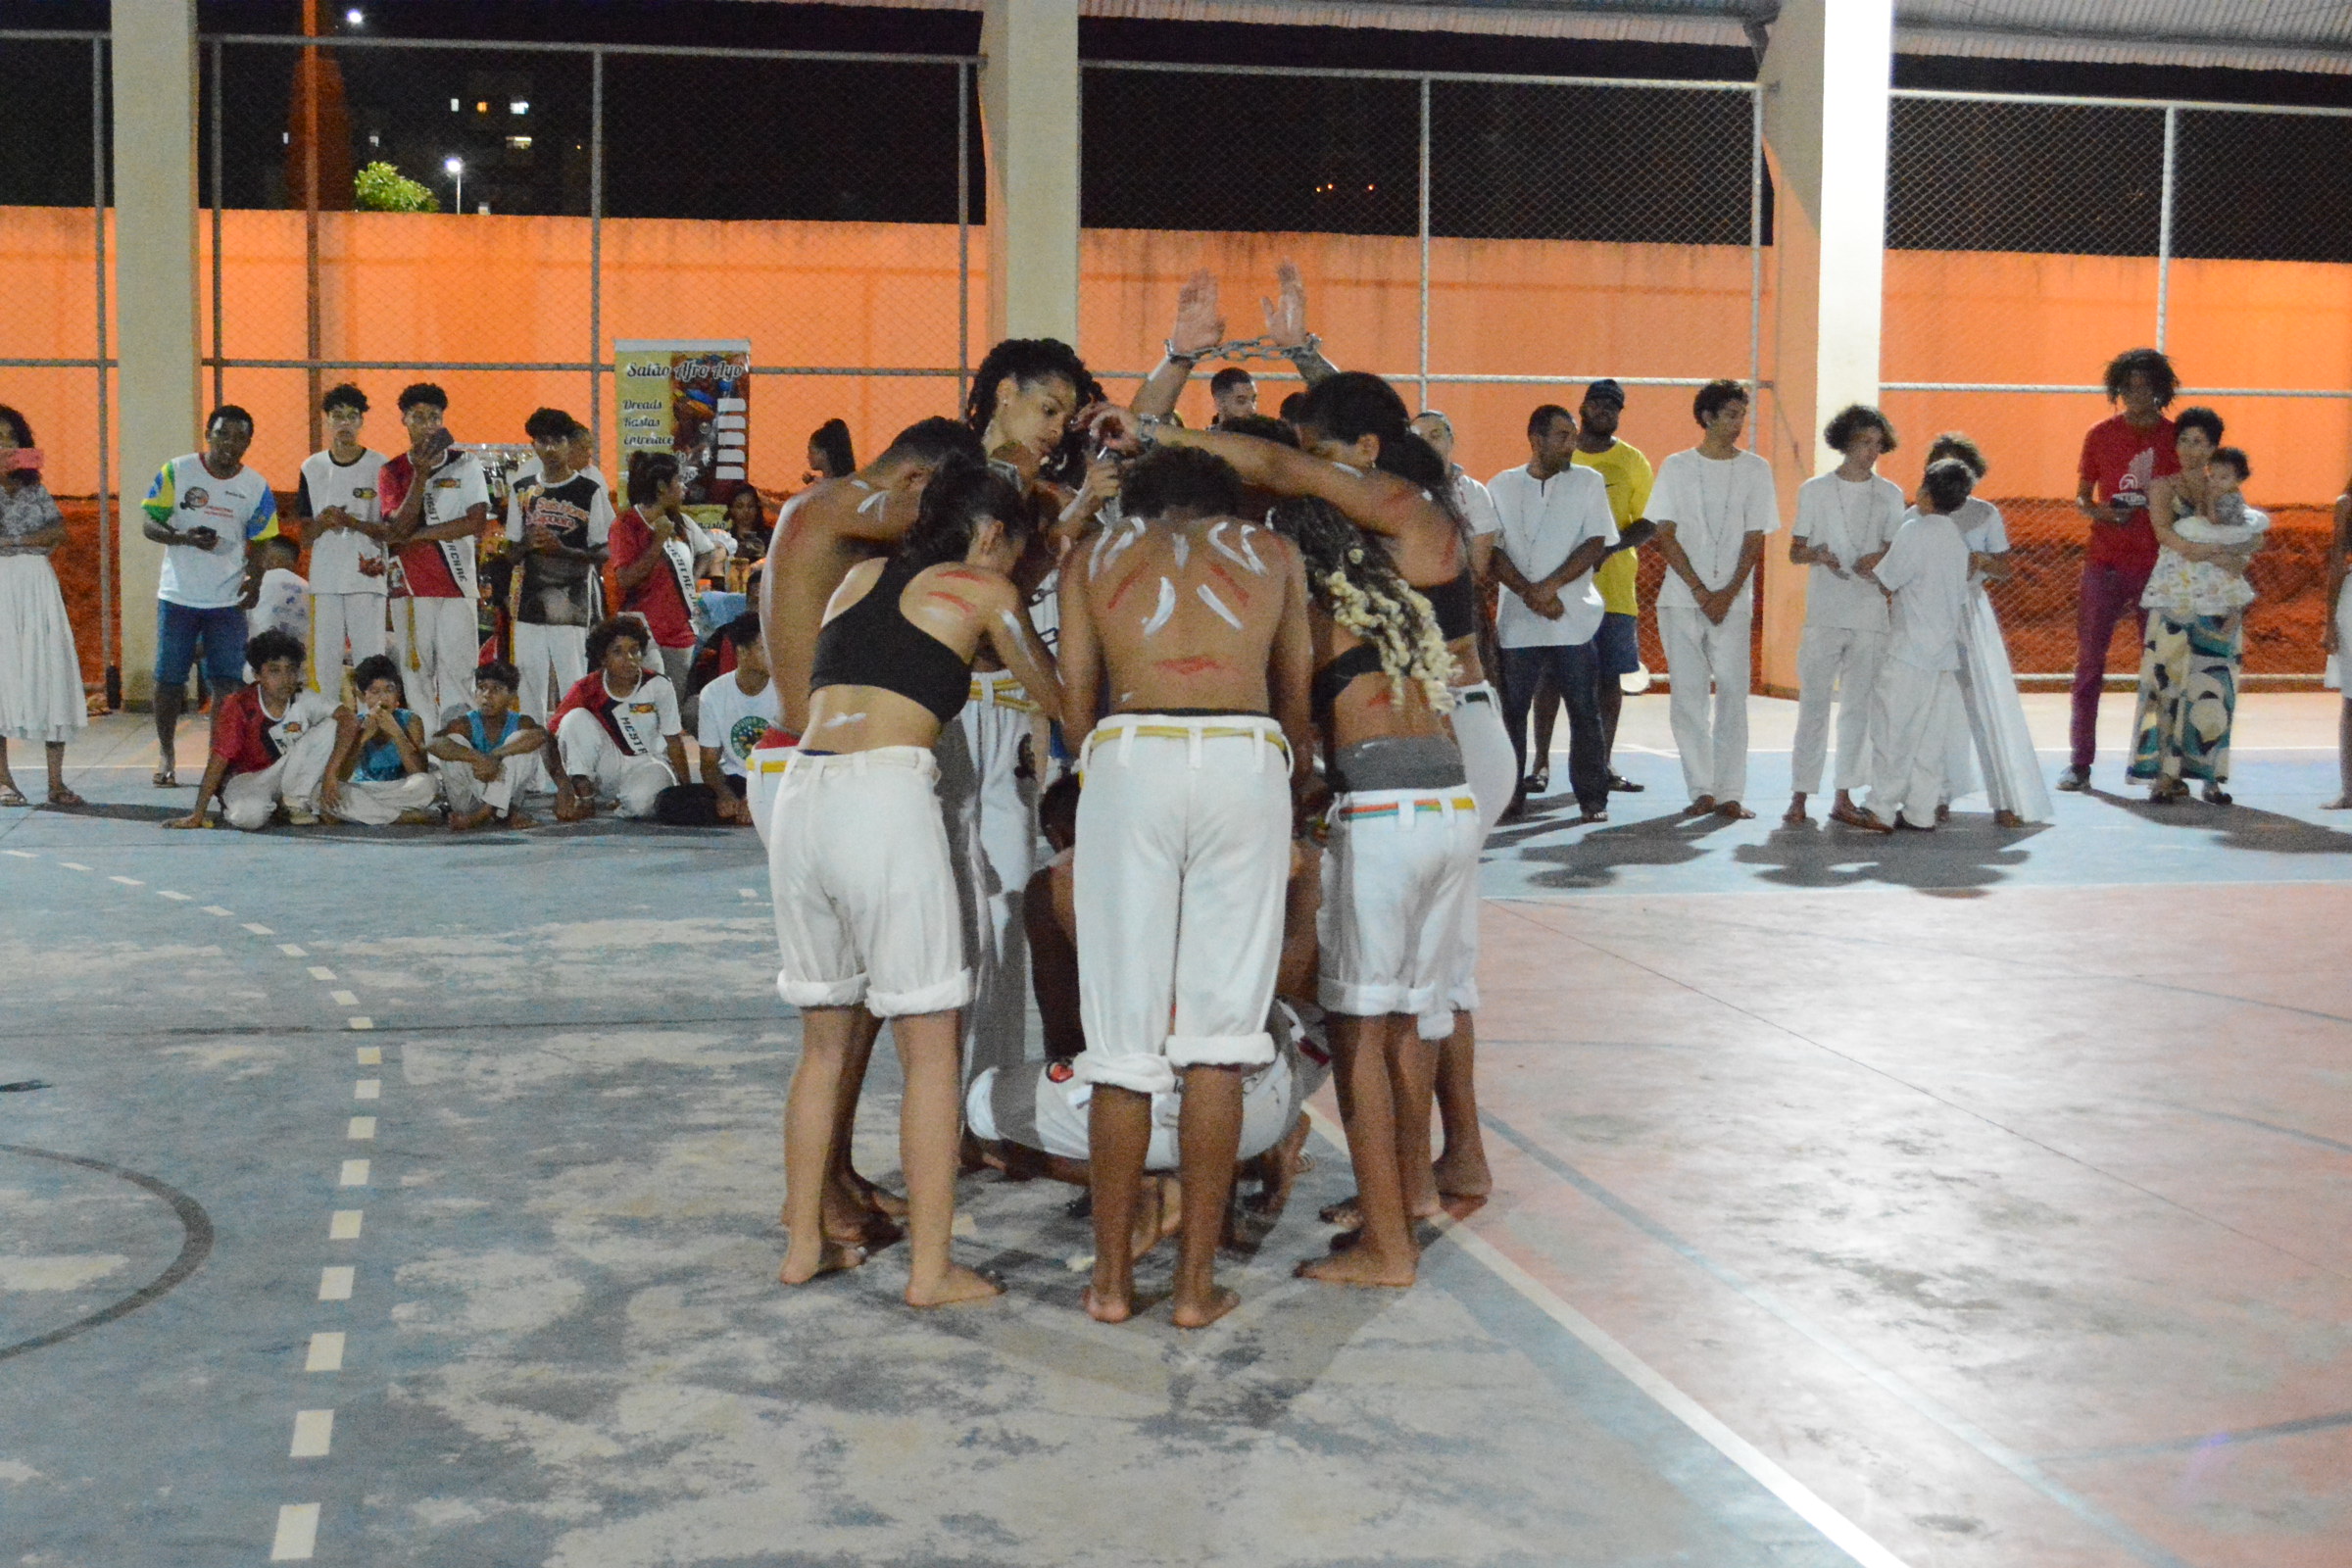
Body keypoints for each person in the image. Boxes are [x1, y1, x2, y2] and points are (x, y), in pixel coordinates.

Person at [1129, 282, 1504, 1218]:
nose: (1307, 467)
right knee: (1424, 994)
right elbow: (1316, 453)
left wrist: (1283, 372)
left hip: (1439, 753)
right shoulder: (1362, 539)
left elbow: (1325, 455)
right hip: (1439, 766)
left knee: (1404, 1002)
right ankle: (1432, 1172)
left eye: (1324, 457)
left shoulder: (1399, 520)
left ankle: (1411, 1188)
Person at [772, 455, 1061, 1309]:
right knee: (931, 1048)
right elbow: (1058, 700)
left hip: (804, 795)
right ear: (991, 534)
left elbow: (895, 659)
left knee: (823, 1049)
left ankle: (801, 1244)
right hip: (882, 799)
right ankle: (931, 1271)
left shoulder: (858, 579)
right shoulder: (983, 592)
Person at [1056, 443, 1312, 1328]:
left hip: (1132, 753)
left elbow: (1076, 697)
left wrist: (1107, 772)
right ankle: (1197, 1290)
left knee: (1123, 1039)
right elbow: (1295, 689)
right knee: (1219, 1040)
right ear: (1226, 501)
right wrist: (1295, 786)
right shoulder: (1274, 554)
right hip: (1246, 754)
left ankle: (1113, 1283)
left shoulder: (1093, 555)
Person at [1273, 494, 1479, 1287]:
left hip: (1385, 818)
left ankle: (1386, 1249)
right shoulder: (1399, 609)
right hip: (1450, 810)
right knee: (1413, 1024)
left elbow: (1294, 742)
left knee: (1361, 1033)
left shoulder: (1309, 620)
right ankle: (1409, 1191)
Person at [1646, 379, 1778, 819]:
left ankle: (1730, 792)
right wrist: (1702, 591)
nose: (1740, 422)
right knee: (1687, 696)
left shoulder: (1756, 469)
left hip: (1732, 603)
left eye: (1743, 414)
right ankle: (1701, 788)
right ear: (1707, 418)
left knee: (1734, 695)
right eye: (1731, 414)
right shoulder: (1677, 466)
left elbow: (1754, 535)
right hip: (1682, 600)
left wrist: (1727, 592)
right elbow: (1663, 533)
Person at [1489, 404, 1621, 824]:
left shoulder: (1588, 482)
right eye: (1562, 436)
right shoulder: (1500, 485)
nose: (1572, 444)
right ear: (1536, 439)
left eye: (1572, 435)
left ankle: (1592, 798)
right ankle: (1508, 797)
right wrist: (1530, 593)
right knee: (1512, 712)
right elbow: (1492, 549)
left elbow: (1596, 542)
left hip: (1573, 619)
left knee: (1584, 709)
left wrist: (1549, 588)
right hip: (1517, 623)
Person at [2128, 412, 2264, 805]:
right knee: (2166, 683)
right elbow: (2168, 536)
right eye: (2184, 440)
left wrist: (2236, 554)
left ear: (2213, 448)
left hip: (2219, 598)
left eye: (2199, 442)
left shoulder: (2223, 487)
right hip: (2174, 596)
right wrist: (2221, 553)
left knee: (2214, 684)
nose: (2190, 449)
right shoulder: (2162, 487)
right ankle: (2162, 777)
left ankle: (2210, 777)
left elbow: (2249, 537)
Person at [2062, 348, 2180, 792]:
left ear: (2160, 389)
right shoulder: (2100, 435)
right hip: (2106, 564)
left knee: (2160, 667)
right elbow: (2080, 498)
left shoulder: (2176, 438)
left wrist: (2163, 512)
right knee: (2090, 664)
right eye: (2129, 386)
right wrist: (2100, 514)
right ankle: (2079, 762)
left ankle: (2160, 767)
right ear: (2118, 389)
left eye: (2146, 386)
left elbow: (2188, 496)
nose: (2137, 394)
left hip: (2159, 567)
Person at [143, 405, 277, 789]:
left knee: (227, 684)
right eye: (222, 434)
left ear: (249, 442)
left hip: (226, 600)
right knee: (168, 680)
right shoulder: (178, 471)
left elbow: (265, 539)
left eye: (239, 437)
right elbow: (149, 521)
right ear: (208, 434)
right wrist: (182, 537)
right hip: (178, 596)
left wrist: (256, 578)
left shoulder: (255, 486)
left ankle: (218, 756)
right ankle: (166, 754)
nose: (229, 444)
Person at [1921, 433, 2049, 828]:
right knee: (1932, 708)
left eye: (1959, 468)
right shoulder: (1919, 513)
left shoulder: (1986, 514)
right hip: (1927, 616)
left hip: (1971, 615)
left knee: (1985, 707)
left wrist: (1978, 560)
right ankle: (1933, 796)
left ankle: (2006, 799)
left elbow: (2005, 568)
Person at [1787, 405, 1905, 829]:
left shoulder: (1890, 494)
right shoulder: (1815, 490)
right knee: (1813, 704)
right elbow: (1795, 549)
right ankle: (1799, 795)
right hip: (1825, 612)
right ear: (1845, 442)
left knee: (1859, 708)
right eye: (1863, 442)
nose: (1871, 451)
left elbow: (1898, 549)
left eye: (1877, 443)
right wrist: (1817, 553)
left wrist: (1880, 555)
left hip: (1870, 613)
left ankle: (1844, 795)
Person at [1852, 460, 1978, 833]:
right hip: (1942, 656)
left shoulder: (1914, 530)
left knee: (1894, 731)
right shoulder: (1956, 539)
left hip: (1909, 652)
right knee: (1929, 738)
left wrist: (1868, 565)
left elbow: (1888, 579)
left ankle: (1881, 807)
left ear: (1925, 492)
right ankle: (1921, 810)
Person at [382, 383, 492, 725]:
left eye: (435, 417)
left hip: (458, 586)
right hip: (411, 589)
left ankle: (457, 748)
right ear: (404, 420)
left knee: (459, 670)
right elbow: (397, 527)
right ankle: (425, 750)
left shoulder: (466, 464)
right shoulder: (393, 470)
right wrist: (421, 474)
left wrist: (421, 536)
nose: (427, 424)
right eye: (419, 417)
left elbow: (474, 522)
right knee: (416, 674)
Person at [164, 628, 343, 831]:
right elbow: (219, 759)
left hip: (289, 778)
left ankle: (294, 803)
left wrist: (331, 773)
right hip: (247, 779)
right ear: (257, 674)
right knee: (249, 818)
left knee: (333, 723)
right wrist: (198, 814)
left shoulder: (304, 698)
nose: (285, 679)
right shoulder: (238, 705)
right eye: (274, 671)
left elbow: (348, 719)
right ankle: (277, 805)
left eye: (291, 670)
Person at [1570, 379, 1654, 792]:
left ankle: (1602, 765)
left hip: (1615, 589)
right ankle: (1541, 766)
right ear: (1583, 407)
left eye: (1614, 407)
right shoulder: (1562, 452)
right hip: (1563, 587)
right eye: (1599, 404)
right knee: (1554, 680)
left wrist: (1609, 548)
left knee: (1608, 681)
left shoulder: (1633, 460)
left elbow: (1649, 519)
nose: (1606, 411)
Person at [0, 405, 85, 808]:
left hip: (37, 585)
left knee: (50, 673)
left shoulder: (34, 488)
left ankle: (56, 782)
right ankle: (3, 780)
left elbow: (58, 530)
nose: (4, 446)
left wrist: (14, 544)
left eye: (11, 439)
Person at [506, 410, 615, 720]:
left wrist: (562, 549)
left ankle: (572, 757)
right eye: (543, 442)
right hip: (531, 603)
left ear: (570, 443)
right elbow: (510, 551)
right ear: (534, 446)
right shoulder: (522, 489)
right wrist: (526, 544)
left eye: (558, 441)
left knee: (572, 683)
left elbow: (604, 550)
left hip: (572, 603)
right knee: (529, 686)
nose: (550, 449)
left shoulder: (589, 490)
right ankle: (535, 762)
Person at [296, 383, 390, 695]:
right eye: (338, 416)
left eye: (352, 416)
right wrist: (323, 522)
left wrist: (353, 522)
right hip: (325, 581)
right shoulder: (312, 467)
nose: (345, 423)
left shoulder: (380, 465)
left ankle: (374, 730)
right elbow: (305, 536)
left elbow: (392, 530)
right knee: (324, 665)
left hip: (367, 578)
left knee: (370, 663)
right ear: (327, 421)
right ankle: (328, 731)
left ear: (362, 421)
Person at [552, 616, 689, 820]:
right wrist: (563, 787)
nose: (629, 658)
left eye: (634, 650)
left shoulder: (659, 685)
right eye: (618, 652)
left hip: (648, 764)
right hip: (608, 768)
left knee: (640, 807)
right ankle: (586, 798)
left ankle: (626, 800)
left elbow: (674, 741)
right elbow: (551, 736)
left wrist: (687, 790)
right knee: (574, 719)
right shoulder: (586, 688)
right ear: (603, 658)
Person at [428, 661, 553, 831]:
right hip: (470, 802)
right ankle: (500, 813)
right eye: (482, 687)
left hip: (505, 798)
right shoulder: (464, 723)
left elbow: (541, 736)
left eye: (496, 689)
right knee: (453, 741)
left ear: (512, 696)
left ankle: (483, 815)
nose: (487, 695)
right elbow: (433, 744)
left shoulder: (521, 722)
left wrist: (495, 755)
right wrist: (477, 757)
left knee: (523, 741)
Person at [319, 654, 440, 826]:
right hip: (365, 789)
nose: (383, 698)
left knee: (429, 784)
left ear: (398, 693)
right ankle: (400, 816)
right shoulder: (355, 723)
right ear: (363, 696)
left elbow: (419, 771)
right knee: (322, 791)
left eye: (389, 690)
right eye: (375, 692)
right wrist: (363, 737)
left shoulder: (411, 720)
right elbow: (343, 776)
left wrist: (397, 733)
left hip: (399, 789)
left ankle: (363, 814)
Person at [695, 610, 777, 826]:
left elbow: (793, 756)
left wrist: (759, 796)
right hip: (737, 780)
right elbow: (709, 763)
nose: (773, 655)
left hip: (776, 777)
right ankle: (744, 810)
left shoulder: (786, 691)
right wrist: (725, 795)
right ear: (741, 652)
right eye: (763, 649)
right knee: (670, 801)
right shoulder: (713, 694)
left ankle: (759, 808)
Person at [2328, 475, 2352, 811]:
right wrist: (2328, 621)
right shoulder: (2346, 504)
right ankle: (2349, 790)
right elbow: (2336, 562)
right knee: (2351, 701)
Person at [249, 536, 308, 649]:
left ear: (270, 560)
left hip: (257, 656)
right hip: (297, 659)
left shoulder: (253, 583)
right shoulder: (309, 589)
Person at [807, 417, 856, 484]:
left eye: (812, 452)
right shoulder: (848, 481)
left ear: (824, 454)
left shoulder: (834, 486)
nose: (808, 456)